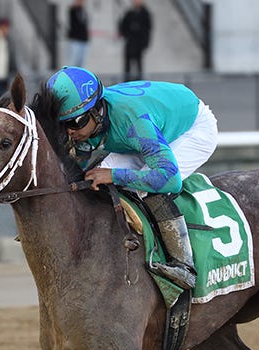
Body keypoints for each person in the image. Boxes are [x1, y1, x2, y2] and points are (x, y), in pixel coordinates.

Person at [46, 66, 219, 290]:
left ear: (97, 111)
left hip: (191, 128)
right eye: (62, 124)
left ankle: (184, 264)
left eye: (74, 123)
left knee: (145, 188)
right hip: (147, 128)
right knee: (92, 180)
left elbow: (168, 178)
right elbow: (77, 169)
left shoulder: (134, 123)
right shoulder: (89, 122)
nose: (69, 131)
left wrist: (114, 175)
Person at [118, 0, 152, 81]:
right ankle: (127, 82)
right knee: (127, 65)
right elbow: (123, 26)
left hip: (139, 43)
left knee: (139, 63)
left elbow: (148, 29)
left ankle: (140, 81)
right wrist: (126, 35)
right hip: (130, 43)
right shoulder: (129, 13)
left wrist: (145, 42)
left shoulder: (145, 14)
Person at [66, 0, 89, 68]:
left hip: (84, 39)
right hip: (75, 39)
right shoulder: (73, 10)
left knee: (81, 60)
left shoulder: (83, 11)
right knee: (73, 59)